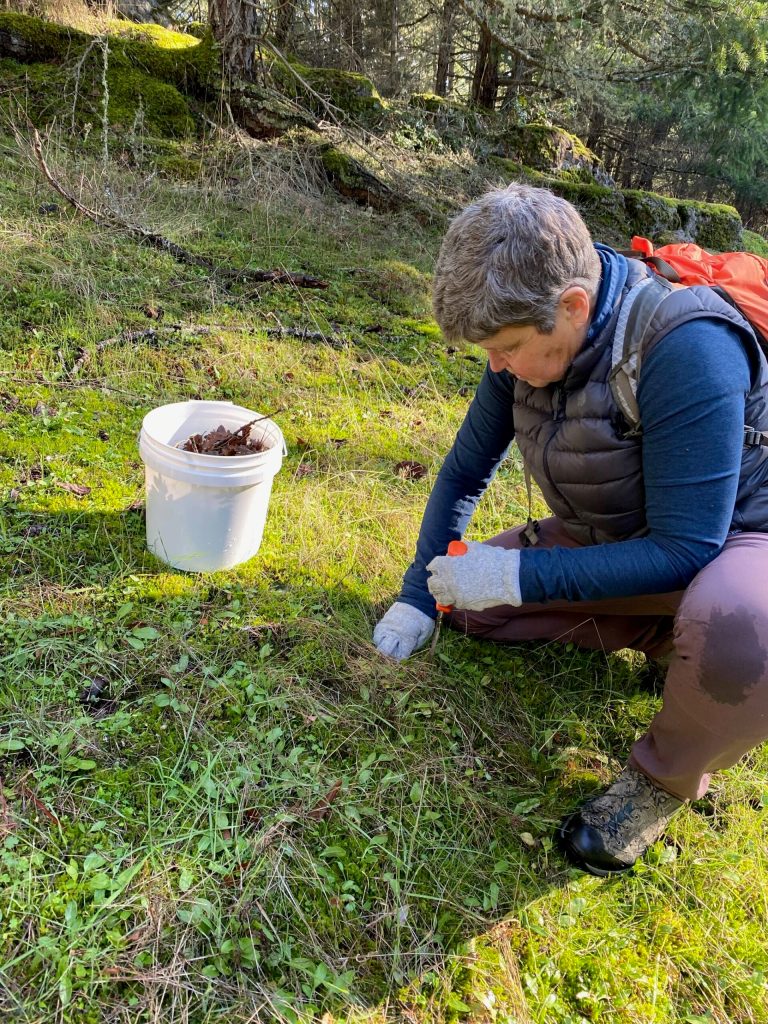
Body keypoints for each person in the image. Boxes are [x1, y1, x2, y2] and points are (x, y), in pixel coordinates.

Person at [373, 183, 768, 876]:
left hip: (737, 547)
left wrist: (518, 574)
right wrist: (417, 593)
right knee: (468, 609)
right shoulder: (529, 335)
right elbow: (467, 470)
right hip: (628, 538)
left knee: (742, 633)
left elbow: (688, 548)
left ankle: (662, 779)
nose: (497, 364)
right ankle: (663, 639)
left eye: (507, 348)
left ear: (573, 306)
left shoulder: (687, 347)